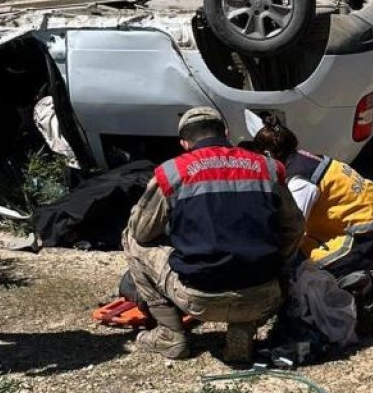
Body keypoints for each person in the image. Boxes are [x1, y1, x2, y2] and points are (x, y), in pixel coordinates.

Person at [122, 106, 304, 364]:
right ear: (226, 133)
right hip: (264, 295)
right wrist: (279, 267)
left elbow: (142, 231)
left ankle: (170, 334)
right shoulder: (269, 168)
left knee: (131, 238)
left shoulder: (172, 172)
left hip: (199, 297)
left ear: (184, 143)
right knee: (257, 261)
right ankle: (244, 324)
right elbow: (295, 227)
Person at [251, 114, 373, 294]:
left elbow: (293, 229)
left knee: (301, 266)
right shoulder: (305, 159)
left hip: (370, 237)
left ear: (268, 155)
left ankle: (350, 277)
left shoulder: (300, 181)